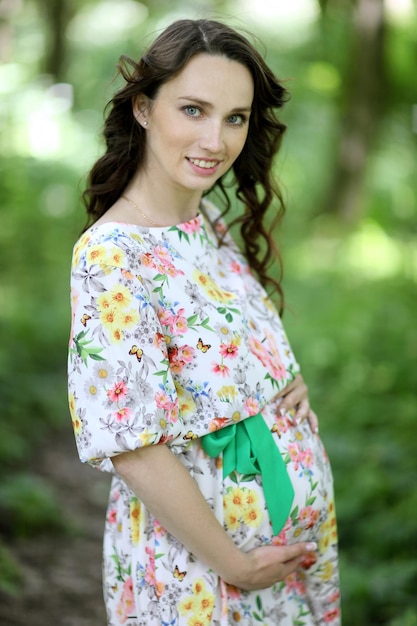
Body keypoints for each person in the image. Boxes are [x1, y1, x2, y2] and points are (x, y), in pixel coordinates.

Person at [68, 18, 340, 626]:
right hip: (200, 573)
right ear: (143, 108)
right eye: (193, 109)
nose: (215, 140)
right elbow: (134, 446)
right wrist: (236, 567)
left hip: (280, 567)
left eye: (235, 117)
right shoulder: (112, 255)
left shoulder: (208, 228)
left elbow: (225, 368)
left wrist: (281, 386)